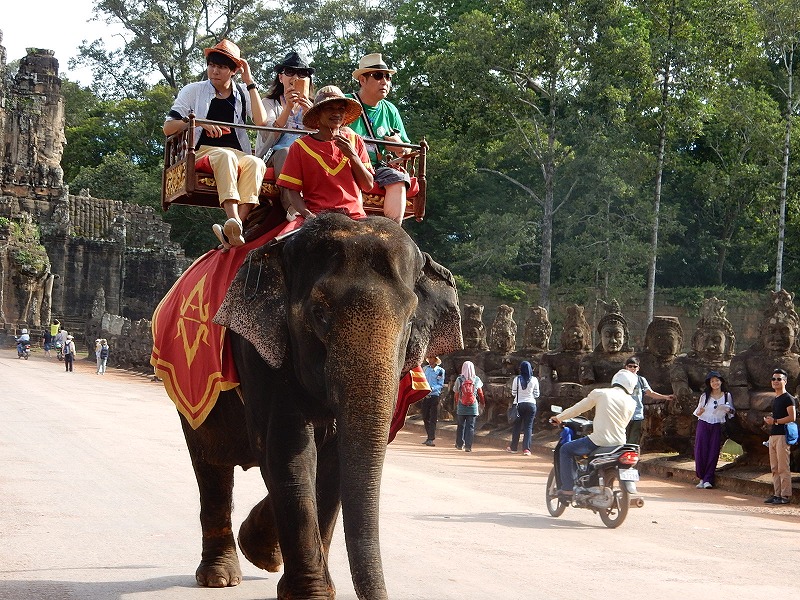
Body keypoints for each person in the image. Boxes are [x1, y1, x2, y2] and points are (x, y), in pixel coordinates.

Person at [163, 39, 268, 248]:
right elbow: (168, 127)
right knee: (225, 156)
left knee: (257, 163)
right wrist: (198, 122)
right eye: (212, 65)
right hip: (202, 151)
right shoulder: (193, 90)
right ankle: (234, 219)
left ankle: (235, 227)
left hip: (238, 152)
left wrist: (250, 82)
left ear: (233, 71)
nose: (215, 71)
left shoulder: (242, 94)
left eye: (221, 67)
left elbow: (262, 121)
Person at [277, 86, 374, 220]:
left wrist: (353, 156)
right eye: (329, 108)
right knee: (284, 240)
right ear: (317, 113)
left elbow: (368, 185)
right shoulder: (300, 146)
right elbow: (291, 190)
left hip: (354, 217)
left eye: (341, 109)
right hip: (317, 217)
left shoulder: (355, 141)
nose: (337, 113)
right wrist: (308, 215)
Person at [549, 369, 637, 496]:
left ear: (615, 380)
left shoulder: (601, 393)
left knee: (565, 450)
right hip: (619, 443)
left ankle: (567, 488)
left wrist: (559, 417)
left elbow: (578, 409)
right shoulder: (632, 402)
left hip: (599, 441)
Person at [346, 53, 411, 223]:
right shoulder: (345, 103)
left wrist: (400, 147)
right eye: (378, 76)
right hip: (346, 165)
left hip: (377, 168)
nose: (385, 82)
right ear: (362, 79)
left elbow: (408, 149)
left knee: (398, 179)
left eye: (388, 77)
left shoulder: (390, 110)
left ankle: (393, 233)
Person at [255, 51, 315, 217]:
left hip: (305, 156)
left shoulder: (314, 107)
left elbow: (321, 137)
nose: (295, 77)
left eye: (302, 73)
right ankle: (292, 209)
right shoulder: (269, 103)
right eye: (289, 72)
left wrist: (310, 114)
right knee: (286, 152)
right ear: (281, 77)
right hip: (274, 155)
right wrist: (288, 108)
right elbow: (269, 136)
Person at [692, 370, 734, 489]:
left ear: (721, 382)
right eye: (712, 381)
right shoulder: (705, 396)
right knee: (701, 450)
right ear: (709, 383)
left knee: (713, 451)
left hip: (716, 424)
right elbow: (697, 412)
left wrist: (727, 410)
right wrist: (700, 411)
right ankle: (701, 477)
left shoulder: (726, 395)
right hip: (704, 423)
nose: (715, 383)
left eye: (717, 380)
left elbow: (732, 412)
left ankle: (708, 479)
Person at [763, 368, 796, 504]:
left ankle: (785, 495)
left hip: (782, 435)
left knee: (783, 467)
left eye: (779, 379)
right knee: (774, 467)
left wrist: (775, 421)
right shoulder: (776, 399)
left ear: (785, 381)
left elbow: (792, 417)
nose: (776, 381)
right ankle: (777, 494)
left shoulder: (788, 398)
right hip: (773, 435)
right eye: (773, 379)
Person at [624, 356, 674, 444]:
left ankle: (632, 456)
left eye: (634, 366)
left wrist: (665, 397)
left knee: (634, 440)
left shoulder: (641, 380)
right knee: (622, 439)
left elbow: (650, 393)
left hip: (637, 413)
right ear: (626, 367)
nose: (632, 368)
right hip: (623, 413)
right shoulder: (620, 379)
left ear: (638, 368)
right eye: (630, 366)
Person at [506, 360, 540, 455]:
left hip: (518, 404)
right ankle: (526, 449)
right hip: (531, 405)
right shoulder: (534, 380)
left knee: (517, 427)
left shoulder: (516, 379)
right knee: (528, 427)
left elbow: (513, 393)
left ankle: (513, 447)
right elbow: (537, 394)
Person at [453, 361, 485, 452]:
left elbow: (456, 393)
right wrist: (482, 402)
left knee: (460, 425)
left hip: (461, 405)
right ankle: (468, 446)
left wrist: (457, 402)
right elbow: (480, 393)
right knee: (470, 426)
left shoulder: (459, 379)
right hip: (473, 406)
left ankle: (459, 444)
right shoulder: (477, 379)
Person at [420, 355, 445, 446]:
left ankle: (431, 438)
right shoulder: (425, 369)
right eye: (429, 358)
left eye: (432, 359)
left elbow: (440, 384)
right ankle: (428, 436)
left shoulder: (440, 371)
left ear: (435, 360)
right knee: (425, 417)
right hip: (425, 396)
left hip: (435, 396)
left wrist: (432, 388)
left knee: (433, 418)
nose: (430, 360)